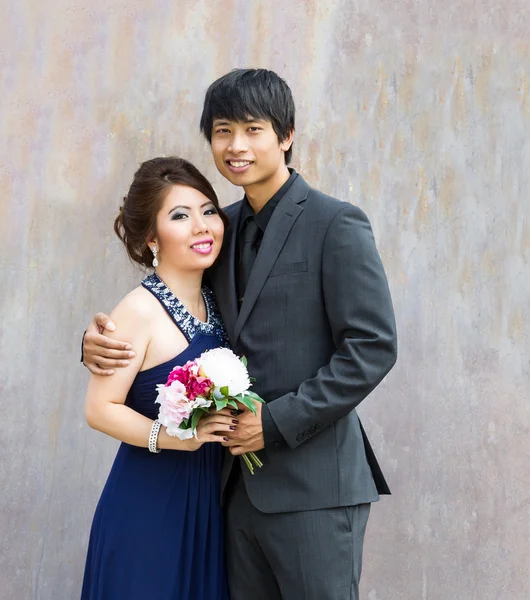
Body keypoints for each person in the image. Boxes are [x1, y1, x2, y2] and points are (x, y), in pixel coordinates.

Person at [83, 69, 397, 600]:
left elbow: (371, 349)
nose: (236, 146)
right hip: (227, 496)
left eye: (253, 129)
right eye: (223, 130)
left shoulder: (335, 224)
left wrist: (270, 424)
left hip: (313, 490)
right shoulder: (216, 229)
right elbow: (168, 309)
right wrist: (96, 345)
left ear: (286, 135)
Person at [80, 156, 235, 600]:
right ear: (151, 238)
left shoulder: (217, 298)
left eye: (208, 211)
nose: (201, 226)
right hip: (148, 510)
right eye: (180, 216)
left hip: (207, 507)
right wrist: (173, 437)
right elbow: (98, 409)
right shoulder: (139, 310)